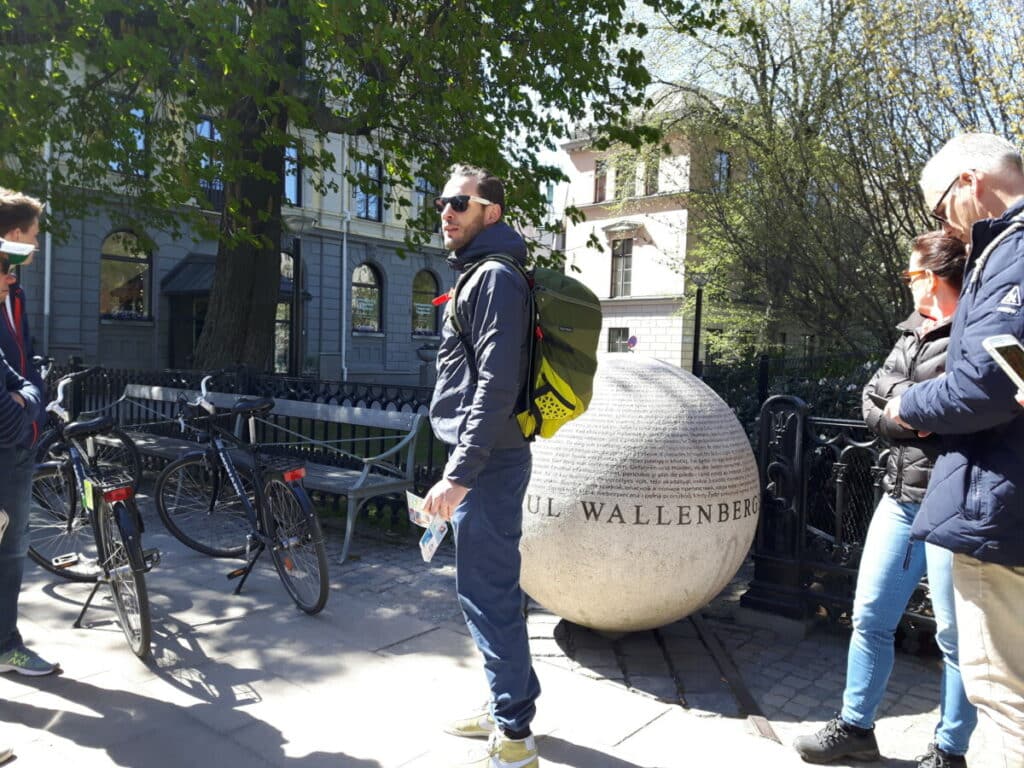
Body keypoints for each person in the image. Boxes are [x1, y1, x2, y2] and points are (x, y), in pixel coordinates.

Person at [794, 232, 976, 767]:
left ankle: (949, 751)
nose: (908, 284)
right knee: (870, 615)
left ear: (937, 275)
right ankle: (855, 728)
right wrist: (906, 415)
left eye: (912, 274)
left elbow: (968, 410)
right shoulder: (912, 332)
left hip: (953, 503)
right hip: (899, 497)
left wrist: (911, 410)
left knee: (955, 638)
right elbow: (872, 398)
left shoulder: (973, 329)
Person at [884, 133, 1024, 768]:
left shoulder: (1010, 250)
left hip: (998, 507)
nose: (945, 226)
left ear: (969, 182)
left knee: (1003, 702)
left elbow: (985, 385)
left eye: (941, 208)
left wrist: (905, 406)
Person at [422, 164, 539, 768]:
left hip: (489, 462)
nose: (446, 212)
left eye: (458, 204)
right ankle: (505, 703)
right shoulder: (481, 272)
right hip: (484, 456)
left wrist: (460, 473)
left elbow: (496, 384)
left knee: (487, 593)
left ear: (489, 213)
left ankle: (515, 739)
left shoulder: (494, 277)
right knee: (487, 591)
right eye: (442, 202)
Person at [0, 190, 57, 678]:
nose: (36, 247)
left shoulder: (12, 290)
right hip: (8, 438)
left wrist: (31, 396)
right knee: (7, 547)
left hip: (19, 432)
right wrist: (20, 416)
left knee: (12, 546)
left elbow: (25, 361)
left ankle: (4, 641)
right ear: (14, 236)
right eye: (33, 237)